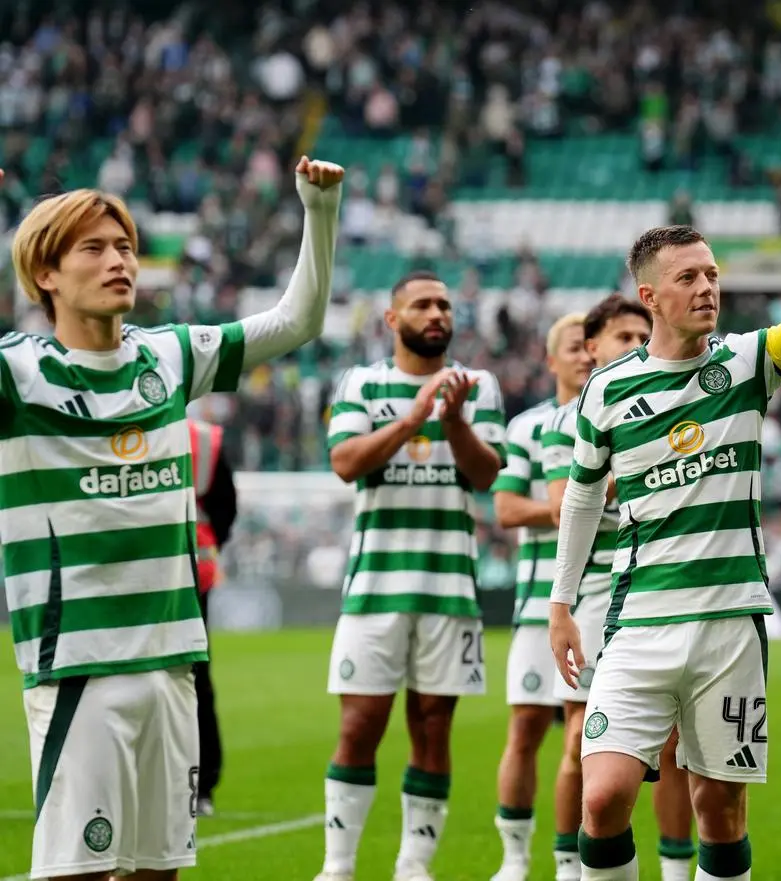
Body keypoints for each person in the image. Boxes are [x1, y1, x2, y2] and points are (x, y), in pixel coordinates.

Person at [547, 156, 781, 881]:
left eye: (712, 274)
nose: (707, 287)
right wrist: (562, 603)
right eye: (688, 277)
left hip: (730, 624)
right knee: (604, 798)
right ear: (649, 295)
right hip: (639, 622)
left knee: (719, 809)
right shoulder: (607, 393)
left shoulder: (748, 363)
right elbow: (585, 496)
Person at [3, 156, 344, 881]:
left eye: (124, 245)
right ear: (46, 276)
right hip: (79, 671)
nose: (119, 259)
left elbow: (299, 319)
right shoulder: (18, 373)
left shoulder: (169, 355)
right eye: (92, 248)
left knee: (159, 872)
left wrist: (320, 211)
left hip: (173, 662)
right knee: (77, 873)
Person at [318, 270, 507, 881]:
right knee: (360, 724)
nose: (437, 314)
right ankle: (339, 866)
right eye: (422, 304)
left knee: (433, 726)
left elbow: (486, 476)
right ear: (391, 319)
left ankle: (413, 866)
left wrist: (451, 421)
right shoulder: (363, 383)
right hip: (373, 590)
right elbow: (345, 462)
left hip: (450, 591)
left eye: (445, 306)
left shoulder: (479, 386)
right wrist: (411, 419)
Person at [543, 295, 697, 881]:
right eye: (623, 337)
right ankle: (568, 865)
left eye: (643, 334)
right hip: (592, 595)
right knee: (581, 740)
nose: (636, 345)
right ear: (593, 347)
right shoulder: (573, 419)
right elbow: (565, 506)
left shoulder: (675, 401)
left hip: (660, 593)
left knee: (674, 746)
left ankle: (677, 869)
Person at [489, 312, 594, 881]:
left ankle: (571, 861)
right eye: (572, 349)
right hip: (538, 606)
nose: (584, 357)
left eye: (589, 347)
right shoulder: (528, 427)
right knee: (526, 730)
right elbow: (505, 509)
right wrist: (561, 510)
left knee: (586, 740)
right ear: (551, 360)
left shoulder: (615, 415)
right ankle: (512, 860)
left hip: (600, 601)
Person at [189, 417, 239, 818]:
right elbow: (226, 507)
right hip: (193, 568)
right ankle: (202, 783)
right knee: (195, 675)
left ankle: (200, 782)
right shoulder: (202, 438)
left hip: (177, 570)